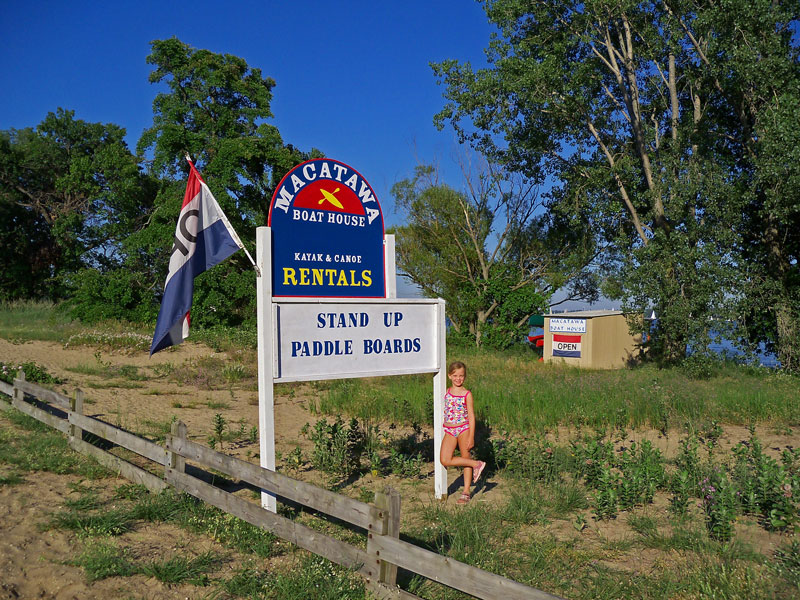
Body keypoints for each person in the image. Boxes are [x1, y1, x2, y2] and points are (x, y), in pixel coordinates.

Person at [439, 361, 486, 504]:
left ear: (464, 377)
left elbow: (471, 416)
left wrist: (471, 436)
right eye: (455, 375)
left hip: (463, 428)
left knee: (465, 455)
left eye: (461, 376)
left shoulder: (466, 394)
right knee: (445, 459)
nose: (458, 379)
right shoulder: (446, 391)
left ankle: (466, 491)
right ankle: (476, 464)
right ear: (449, 376)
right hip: (449, 429)